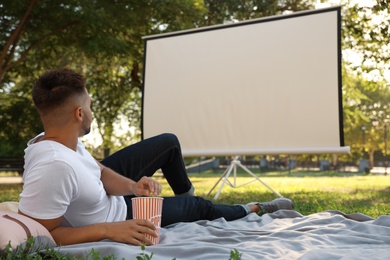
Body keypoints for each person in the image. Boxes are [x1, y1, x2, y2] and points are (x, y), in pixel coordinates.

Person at [18, 68, 293, 246]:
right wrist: (108, 230)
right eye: (89, 106)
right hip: (115, 214)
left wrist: (133, 187)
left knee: (168, 144)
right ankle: (253, 208)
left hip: (102, 193)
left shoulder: (62, 140)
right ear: (79, 114)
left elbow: (98, 171)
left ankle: (180, 202)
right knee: (198, 208)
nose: (92, 112)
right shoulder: (55, 165)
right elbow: (45, 235)